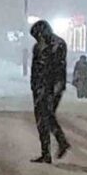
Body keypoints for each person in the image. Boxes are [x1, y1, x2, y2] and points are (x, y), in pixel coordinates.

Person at [29, 20, 71, 163]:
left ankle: (61, 141)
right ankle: (46, 152)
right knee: (42, 118)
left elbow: (58, 67)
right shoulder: (37, 48)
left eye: (38, 35)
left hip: (53, 86)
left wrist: (57, 86)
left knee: (47, 115)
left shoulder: (57, 45)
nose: (37, 39)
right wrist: (33, 85)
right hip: (40, 87)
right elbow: (34, 69)